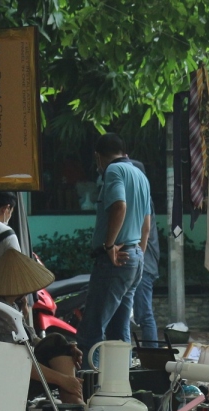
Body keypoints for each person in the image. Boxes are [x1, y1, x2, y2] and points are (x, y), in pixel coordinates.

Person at [76, 134, 152, 356]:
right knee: (118, 331)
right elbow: (146, 225)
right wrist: (138, 254)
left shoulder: (113, 171)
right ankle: (121, 385)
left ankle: (88, 386)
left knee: (91, 330)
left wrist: (110, 246)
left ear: (98, 157)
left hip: (116, 258)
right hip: (135, 256)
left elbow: (119, 206)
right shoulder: (140, 175)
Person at [0, 249, 84, 404]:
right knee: (56, 344)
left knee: (57, 341)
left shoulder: (13, 305)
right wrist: (63, 380)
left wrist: (69, 349)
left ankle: (74, 402)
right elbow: (18, 358)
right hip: (7, 374)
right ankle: (75, 402)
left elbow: (33, 341)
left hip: (21, 367)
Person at [126, 158, 161, 345]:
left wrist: (137, 257)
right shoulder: (139, 197)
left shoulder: (142, 198)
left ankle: (152, 357)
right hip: (142, 263)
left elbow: (143, 231)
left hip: (143, 265)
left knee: (144, 314)